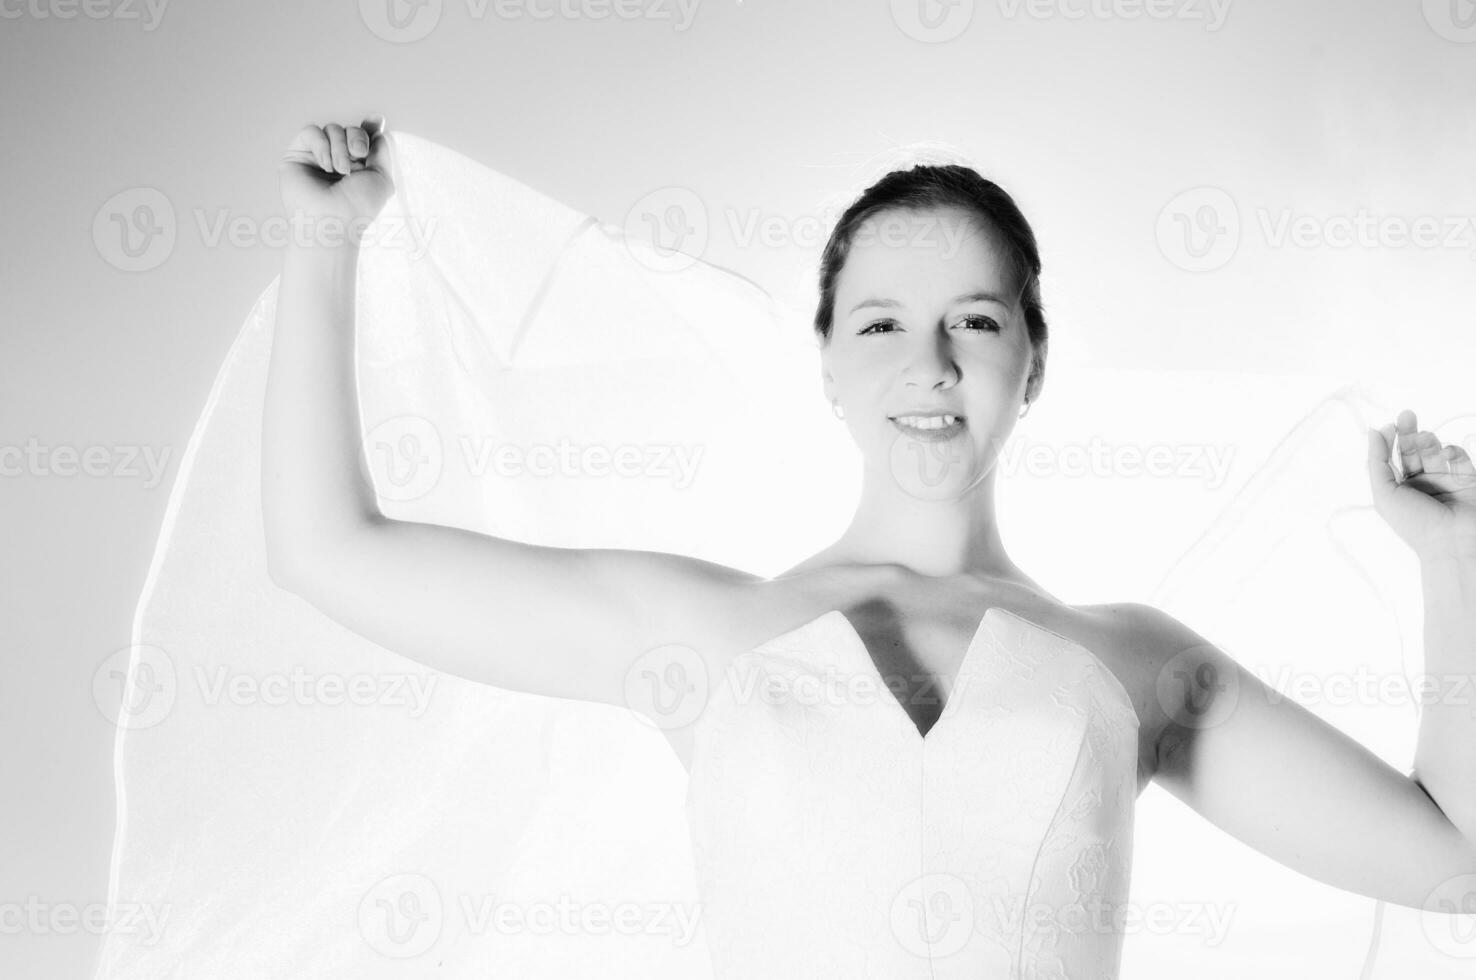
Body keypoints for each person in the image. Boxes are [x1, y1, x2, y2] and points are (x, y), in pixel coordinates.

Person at [261, 114, 1476, 978]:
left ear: (1033, 362)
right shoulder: (706, 632)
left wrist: (1455, 561)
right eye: (883, 322)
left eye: (976, 321)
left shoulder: (1136, 662)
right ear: (832, 364)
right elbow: (328, 550)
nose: (929, 363)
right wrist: (325, 248)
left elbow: (1451, 860)